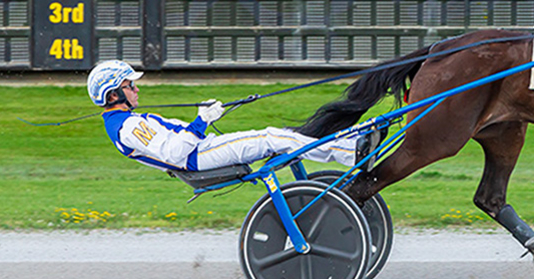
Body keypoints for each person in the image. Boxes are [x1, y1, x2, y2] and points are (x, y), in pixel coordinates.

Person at [87, 60, 376, 173]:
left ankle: (347, 142)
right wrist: (201, 121)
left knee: (276, 136)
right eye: (130, 85)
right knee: (272, 137)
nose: (136, 89)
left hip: (202, 151)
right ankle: (350, 152)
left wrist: (202, 120)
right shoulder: (128, 127)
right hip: (198, 158)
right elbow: (174, 152)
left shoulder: (126, 123)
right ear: (113, 95)